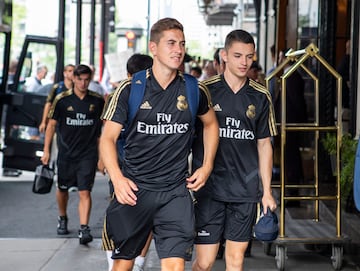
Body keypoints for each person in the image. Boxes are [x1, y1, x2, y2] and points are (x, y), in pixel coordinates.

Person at [99, 17, 219, 271]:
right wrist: (118, 179)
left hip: (175, 192)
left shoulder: (193, 89)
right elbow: (107, 138)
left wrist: (207, 165)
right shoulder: (130, 89)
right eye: (171, 43)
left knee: (175, 266)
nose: (178, 50)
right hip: (135, 190)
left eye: (182, 44)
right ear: (153, 48)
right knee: (122, 265)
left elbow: (210, 125)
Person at [191, 29, 277, 271]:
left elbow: (264, 145)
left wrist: (267, 192)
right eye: (238, 56)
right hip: (210, 189)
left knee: (236, 260)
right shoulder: (204, 90)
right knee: (205, 262)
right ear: (224, 55)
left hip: (245, 190)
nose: (244, 62)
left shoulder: (261, 96)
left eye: (249, 57)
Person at [40, 64, 104, 245]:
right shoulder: (62, 100)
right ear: (73, 79)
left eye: (86, 80)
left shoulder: (98, 101)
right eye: (80, 79)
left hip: (88, 154)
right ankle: (63, 217)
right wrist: (46, 151)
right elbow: (52, 126)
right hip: (66, 153)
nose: (83, 83)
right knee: (62, 189)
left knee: (85, 191)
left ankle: (84, 228)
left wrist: (102, 158)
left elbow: (103, 131)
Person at [101, 53, 154, 271]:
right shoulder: (119, 95)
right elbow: (106, 136)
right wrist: (105, 161)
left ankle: (137, 262)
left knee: (144, 216)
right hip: (123, 171)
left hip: (142, 171)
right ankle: (122, 261)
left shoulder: (158, 96)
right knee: (126, 216)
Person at [273, 49, 308, 206]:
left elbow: (297, 103)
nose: (280, 61)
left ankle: (292, 194)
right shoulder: (287, 76)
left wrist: (299, 124)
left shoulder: (292, 77)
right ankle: (289, 192)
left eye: (282, 58)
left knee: (291, 159)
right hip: (284, 124)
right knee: (287, 159)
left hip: (290, 125)